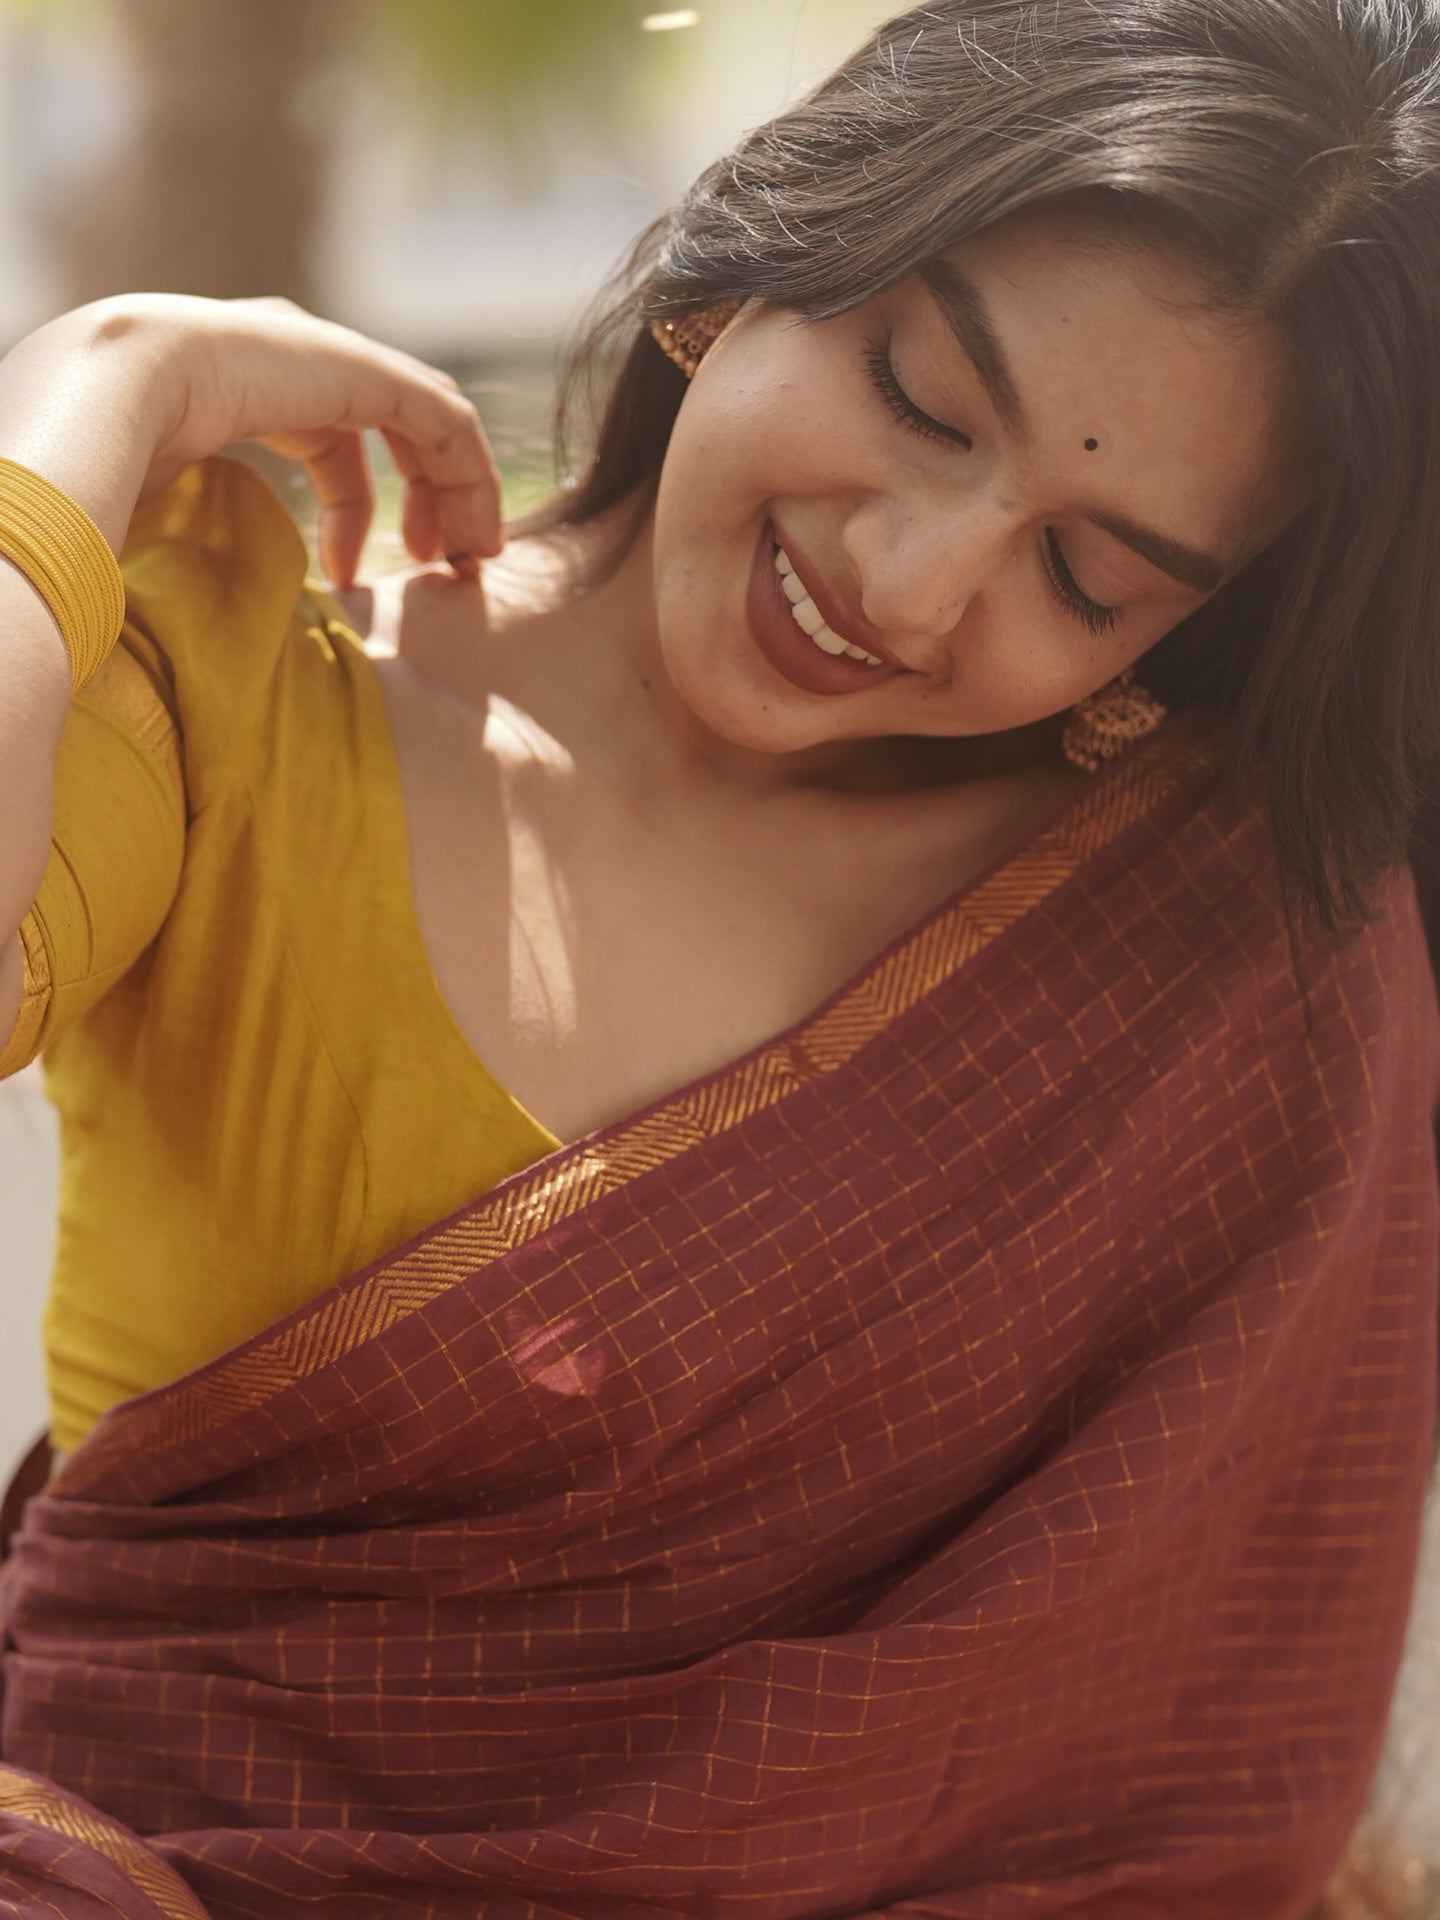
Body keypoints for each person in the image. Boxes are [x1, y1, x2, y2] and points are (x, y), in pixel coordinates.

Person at [0, 0, 1435, 1913]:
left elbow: (1160, 1793)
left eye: (1088, 578)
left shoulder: (1215, 968)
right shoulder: (245, 690)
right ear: (772, 241)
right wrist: (86, 400)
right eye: (924, 401)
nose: (911, 583)